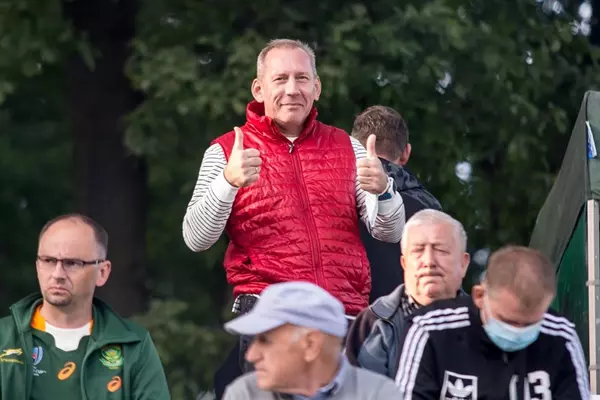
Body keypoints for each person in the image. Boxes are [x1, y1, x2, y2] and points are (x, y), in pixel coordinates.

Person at [182, 39, 405, 397]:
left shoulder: (348, 147)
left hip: (343, 320)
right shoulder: (226, 151)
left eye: (302, 78)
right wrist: (228, 182)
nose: (291, 89)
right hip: (270, 321)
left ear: (316, 88)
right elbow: (196, 238)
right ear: (259, 89)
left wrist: (384, 191)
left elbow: (389, 232)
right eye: (280, 78)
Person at [0, 214, 170, 399]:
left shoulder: (134, 345)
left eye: (72, 263)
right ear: (37, 265)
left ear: (102, 272)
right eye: (49, 261)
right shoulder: (4, 338)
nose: (57, 274)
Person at [395, 245, 590, 399]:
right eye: (507, 320)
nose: (517, 332)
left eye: (531, 324)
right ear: (480, 296)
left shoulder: (560, 336)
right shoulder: (431, 330)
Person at [344, 209, 469, 379]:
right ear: (404, 263)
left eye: (441, 250)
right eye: (418, 251)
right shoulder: (374, 322)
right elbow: (360, 389)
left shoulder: (484, 323)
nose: (429, 261)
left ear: (463, 263)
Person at [222, 281, 401, 399]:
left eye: (266, 341)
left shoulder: (378, 394)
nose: (251, 355)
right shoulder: (244, 393)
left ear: (311, 345)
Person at [351, 105, 442, 302]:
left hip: (340, 314)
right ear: (406, 152)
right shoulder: (429, 210)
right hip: (405, 317)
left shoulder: (329, 191)